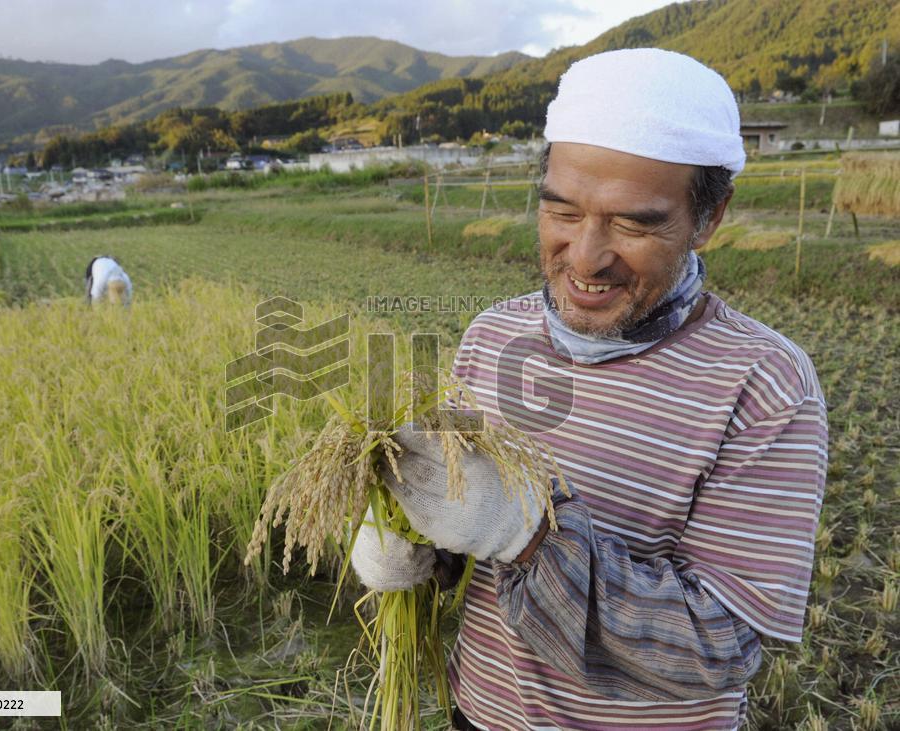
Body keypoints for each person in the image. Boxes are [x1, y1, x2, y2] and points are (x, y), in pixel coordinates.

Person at [350, 49, 827, 730]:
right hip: (478, 714)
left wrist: (531, 534)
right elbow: (471, 545)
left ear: (710, 217)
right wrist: (415, 542)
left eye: (634, 223)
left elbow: (718, 647)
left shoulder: (764, 384)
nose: (585, 256)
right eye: (562, 212)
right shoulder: (492, 336)